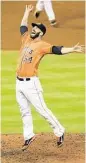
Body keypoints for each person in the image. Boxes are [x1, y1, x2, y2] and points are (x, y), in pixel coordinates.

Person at [16, 5, 84, 151]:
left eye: (36, 28)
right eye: (33, 28)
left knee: (42, 109)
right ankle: (28, 136)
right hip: (19, 83)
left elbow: (57, 49)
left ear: (41, 33)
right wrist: (26, 13)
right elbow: (22, 26)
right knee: (24, 110)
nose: (33, 29)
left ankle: (60, 131)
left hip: (31, 84)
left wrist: (72, 49)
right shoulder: (26, 39)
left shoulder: (42, 45)